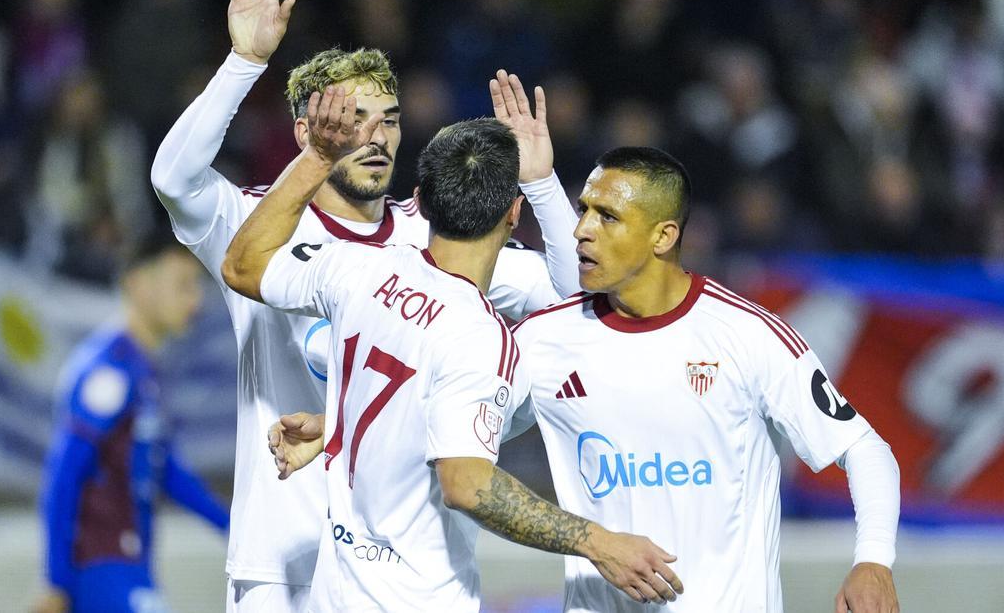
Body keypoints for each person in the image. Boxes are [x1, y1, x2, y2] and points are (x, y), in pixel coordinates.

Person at [149, 0, 580, 610]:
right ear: (306, 132)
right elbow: (171, 178)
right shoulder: (259, 221)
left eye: (388, 120)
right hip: (282, 556)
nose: (375, 138)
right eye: (351, 122)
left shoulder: (436, 235)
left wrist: (543, 186)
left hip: (398, 567)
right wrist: (244, 64)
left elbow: (570, 294)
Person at [220, 87, 683, 611]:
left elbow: (242, 265)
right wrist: (599, 543)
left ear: (421, 198)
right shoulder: (482, 339)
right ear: (513, 214)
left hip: (337, 593)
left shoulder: (359, 269)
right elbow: (466, 483)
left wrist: (316, 158)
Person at [511, 147, 902, 612]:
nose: (581, 231)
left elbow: (865, 449)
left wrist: (874, 561)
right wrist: (588, 541)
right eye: (583, 211)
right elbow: (463, 463)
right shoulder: (542, 340)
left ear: (663, 236)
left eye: (607, 216)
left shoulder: (746, 334)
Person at [35, 234, 230, 613]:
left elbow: (167, 470)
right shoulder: (107, 372)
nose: (196, 300)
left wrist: (234, 529)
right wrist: (56, 580)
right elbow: (62, 475)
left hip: (132, 568)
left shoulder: (143, 370)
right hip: (100, 570)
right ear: (139, 285)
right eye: (183, 286)